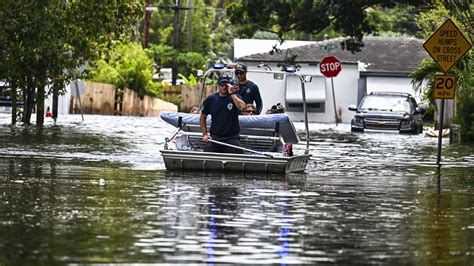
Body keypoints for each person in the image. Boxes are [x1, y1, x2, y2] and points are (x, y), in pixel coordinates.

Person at [200, 76, 246, 153]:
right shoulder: (211, 99)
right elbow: (202, 117)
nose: (224, 87)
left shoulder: (235, 97)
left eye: (226, 84)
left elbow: (243, 108)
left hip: (232, 138)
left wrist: (232, 94)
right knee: (206, 153)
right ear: (218, 85)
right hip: (216, 138)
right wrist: (205, 134)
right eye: (222, 84)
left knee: (238, 155)